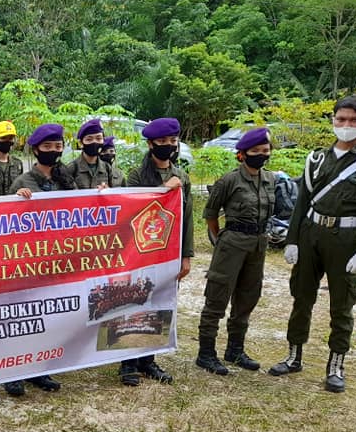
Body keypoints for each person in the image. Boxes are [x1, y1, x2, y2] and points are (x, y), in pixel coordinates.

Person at [268, 96, 356, 393]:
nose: (346, 125)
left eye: (354, 120)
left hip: (346, 240)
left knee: (342, 304)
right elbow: (302, 202)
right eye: (341, 119)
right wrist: (293, 239)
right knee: (301, 297)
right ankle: (294, 356)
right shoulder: (316, 159)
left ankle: (336, 365)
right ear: (333, 120)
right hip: (312, 234)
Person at [118, 117, 193, 387]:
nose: (168, 147)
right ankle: (127, 362)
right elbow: (133, 211)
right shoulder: (138, 176)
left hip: (168, 251)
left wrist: (186, 255)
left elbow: (187, 217)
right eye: (162, 142)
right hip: (141, 251)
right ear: (150, 144)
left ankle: (148, 359)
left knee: (160, 302)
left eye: (173, 142)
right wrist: (163, 191)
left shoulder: (182, 175)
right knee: (132, 301)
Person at [196, 127, 276, 375]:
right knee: (217, 296)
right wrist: (221, 238)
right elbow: (210, 213)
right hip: (232, 242)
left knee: (248, 297)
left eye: (265, 151)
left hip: (259, 243)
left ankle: (235, 350)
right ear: (242, 154)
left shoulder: (270, 179)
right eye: (255, 151)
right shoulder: (229, 180)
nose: (261, 155)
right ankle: (206, 354)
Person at [5, 123, 75, 397]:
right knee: (21, 318)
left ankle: (39, 369)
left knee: (46, 316)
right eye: (47, 148)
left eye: (58, 147)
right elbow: (6, 221)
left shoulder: (65, 180)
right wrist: (18, 201)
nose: (53, 152)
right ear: (36, 151)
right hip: (25, 262)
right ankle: (12, 373)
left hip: (55, 261)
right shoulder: (23, 183)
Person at [66, 119, 125, 189]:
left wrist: (107, 190)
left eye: (98, 138)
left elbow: (114, 194)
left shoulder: (107, 168)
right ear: (81, 143)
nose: (94, 142)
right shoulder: (72, 168)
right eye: (89, 139)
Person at [0, 120, 23, 192]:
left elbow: (20, 186)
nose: (7, 141)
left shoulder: (18, 164)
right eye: (3, 138)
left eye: (10, 138)